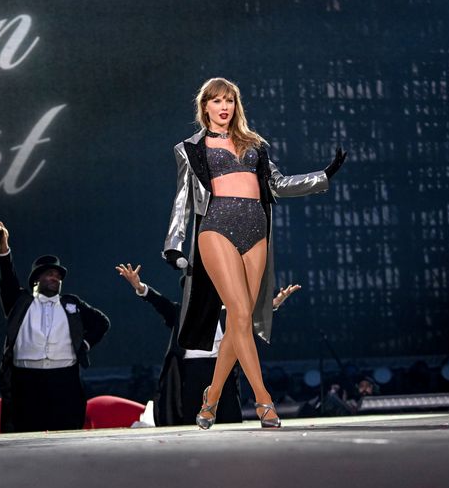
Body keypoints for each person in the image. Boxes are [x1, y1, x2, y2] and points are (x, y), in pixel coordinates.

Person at [163, 77, 346, 429]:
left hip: (256, 229)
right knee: (240, 313)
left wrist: (324, 175)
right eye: (216, 100)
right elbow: (182, 197)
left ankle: (210, 398)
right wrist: (173, 243)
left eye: (229, 100)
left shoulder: (255, 145)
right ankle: (264, 401)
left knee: (239, 321)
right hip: (216, 226)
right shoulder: (189, 148)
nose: (224, 106)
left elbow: (277, 185)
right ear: (205, 107)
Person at [115, 261, 303, 426]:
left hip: (221, 367)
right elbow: (158, 301)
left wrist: (276, 302)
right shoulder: (180, 312)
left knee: (229, 414)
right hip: (192, 371)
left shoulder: (225, 312)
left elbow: (251, 316)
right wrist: (139, 286)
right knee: (192, 414)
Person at [0, 218, 111, 433]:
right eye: (49, 274)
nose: (54, 277)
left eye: (57, 275)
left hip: (64, 379)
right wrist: (3, 245)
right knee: (25, 432)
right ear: (36, 279)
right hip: (27, 380)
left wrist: (85, 345)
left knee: (65, 431)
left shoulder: (71, 303)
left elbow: (102, 323)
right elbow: (7, 278)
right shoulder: (21, 302)